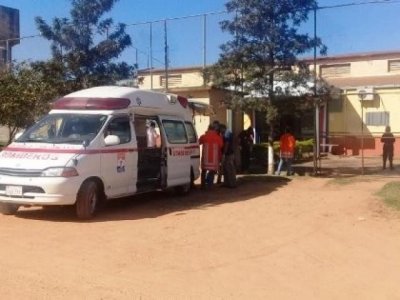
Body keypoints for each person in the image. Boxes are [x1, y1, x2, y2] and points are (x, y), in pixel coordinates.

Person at [199, 123, 223, 189]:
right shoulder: (218, 137)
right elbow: (221, 145)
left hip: (205, 157)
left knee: (203, 171)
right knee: (212, 172)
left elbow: (199, 142)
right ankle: (210, 185)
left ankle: (203, 185)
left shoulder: (204, 136)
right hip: (214, 158)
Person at [219, 124, 237, 188]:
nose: (220, 131)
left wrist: (224, 153)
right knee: (226, 169)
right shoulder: (227, 133)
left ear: (223, 128)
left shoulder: (227, 133)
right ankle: (226, 183)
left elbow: (226, 144)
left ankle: (232, 184)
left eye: (220, 129)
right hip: (229, 153)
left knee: (230, 169)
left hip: (228, 154)